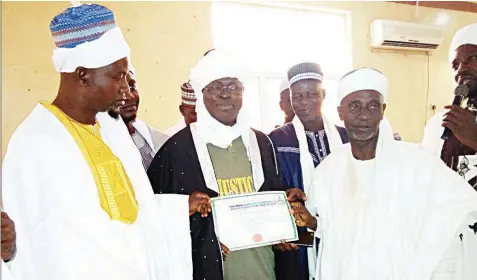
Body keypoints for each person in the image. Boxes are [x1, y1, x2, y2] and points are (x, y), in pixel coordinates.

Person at [2, 3, 192, 280]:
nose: (126, 90)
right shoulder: (34, 144)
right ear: (83, 76)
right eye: (118, 77)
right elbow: (32, 248)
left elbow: (134, 216)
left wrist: (178, 209)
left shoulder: (112, 129)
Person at [290, 67, 477, 279]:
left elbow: (462, 209)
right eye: (354, 106)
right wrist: (310, 221)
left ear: (383, 110)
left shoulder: (419, 162)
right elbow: (329, 225)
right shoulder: (328, 170)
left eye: (372, 106)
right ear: (340, 112)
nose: (364, 115)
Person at [147, 50, 298, 280]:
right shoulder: (176, 150)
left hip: (263, 270)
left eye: (233, 87)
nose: (225, 95)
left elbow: (271, 198)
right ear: (201, 93)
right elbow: (151, 218)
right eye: (216, 87)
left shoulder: (262, 142)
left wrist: (283, 218)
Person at [269, 62, 348, 280]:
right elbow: (270, 190)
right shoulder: (276, 140)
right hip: (298, 243)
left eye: (311, 94)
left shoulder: (346, 137)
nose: (304, 102)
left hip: (343, 234)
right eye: (297, 96)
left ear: (323, 94)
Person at [421, 22, 477, 280]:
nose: (462, 68)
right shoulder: (437, 125)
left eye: (472, 58)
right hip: (449, 243)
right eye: (455, 64)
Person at [109, 63, 169, 170]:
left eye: (132, 87)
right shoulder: (101, 145)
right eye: (118, 89)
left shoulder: (158, 140)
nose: (130, 96)